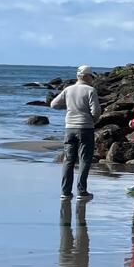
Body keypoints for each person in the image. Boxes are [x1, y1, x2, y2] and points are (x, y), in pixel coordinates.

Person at [49, 65, 100, 200]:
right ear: (87, 76)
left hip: (69, 128)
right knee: (84, 160)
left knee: (68, 160)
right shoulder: (90, 90)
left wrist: (69, 108)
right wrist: (92, 121)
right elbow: (96, 111)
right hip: (85, 128)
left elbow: (53, 104)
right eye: (92, 76)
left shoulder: (68, 89)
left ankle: (65, 192)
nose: (92, 79)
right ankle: (81, 191)